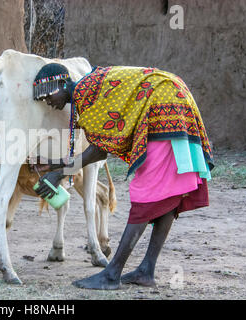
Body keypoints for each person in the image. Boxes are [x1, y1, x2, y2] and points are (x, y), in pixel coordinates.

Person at [31, 63, 214, 290]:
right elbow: (99, 147)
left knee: (145, 193)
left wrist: (59, 174)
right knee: (168, 191)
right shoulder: (88, 87)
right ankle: (146, 270)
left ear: (60, 83)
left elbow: (98, 150)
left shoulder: (85, 92)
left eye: (47, 94)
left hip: (164, 107)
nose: (47, 102)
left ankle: (112, 274)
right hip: (174, 101)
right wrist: (56, 167)